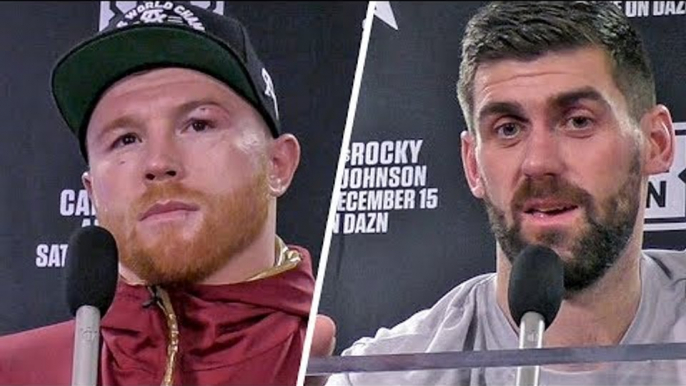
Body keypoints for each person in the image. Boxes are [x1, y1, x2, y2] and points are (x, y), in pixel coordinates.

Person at [325, 1, 684, 385]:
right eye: (508, 129)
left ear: (655, 142)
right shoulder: (382, 377)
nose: (538, 162)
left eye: (578, 121)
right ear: (473, 165)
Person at [0, 2, 333, 385]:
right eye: (125, 139)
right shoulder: (13, 372)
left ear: (277, 165)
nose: (158, 162)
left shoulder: (374, 364)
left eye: (198, 125)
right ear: (92, 191)